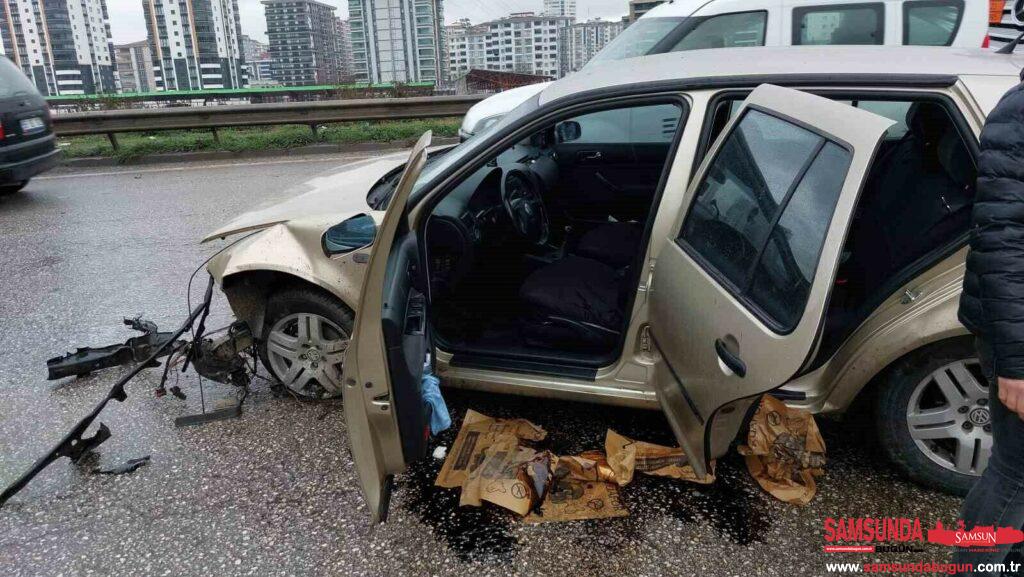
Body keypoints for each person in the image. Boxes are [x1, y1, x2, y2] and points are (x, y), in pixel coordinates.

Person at [955, 75, 1024, 576]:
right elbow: (1001, 246)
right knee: (1016, 475)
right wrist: (1017, 366)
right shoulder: (1019, 116)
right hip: (1018, 338)